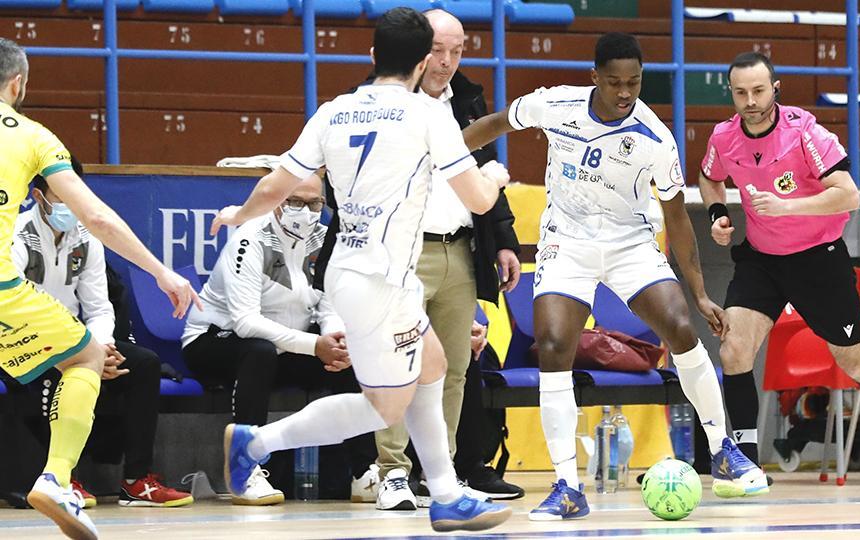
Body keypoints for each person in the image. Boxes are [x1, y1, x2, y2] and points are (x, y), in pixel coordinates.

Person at [213, 7, 511, 533]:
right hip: (377, 282)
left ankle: (443, 494)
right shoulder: (428, 115)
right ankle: (254, 443)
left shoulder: (334, 110)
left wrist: (239, 214)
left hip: (357, 271)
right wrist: (497, 173)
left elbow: (275, 185)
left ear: (372, 56)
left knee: (434, 364)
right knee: (385, 408)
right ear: (423, 62)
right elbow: (480, 201)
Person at [462, 32, 765, 521]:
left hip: (630, 244)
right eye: (616, 82)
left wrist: (701, 293)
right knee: (555, 344)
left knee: (682, 329)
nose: (626, 92)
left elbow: (678, 218)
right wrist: (443, 159)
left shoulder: (654, 137)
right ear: (594, 77)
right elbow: (494, 124)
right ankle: (566, 485)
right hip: (568, 242)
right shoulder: (555, 105)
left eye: (635, 83)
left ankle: (724, 450)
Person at [0, 37, 198, 540]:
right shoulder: (33, 136)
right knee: (84, 358)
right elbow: (97, 216)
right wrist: (161, 271)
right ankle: (57, 478)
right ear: (18, 84)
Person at [698, 51, 860, 495]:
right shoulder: (724, 137)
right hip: (761, 259)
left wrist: (786, 207)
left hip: (818, 258)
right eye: (741, 93)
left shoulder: (803, 132)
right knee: (734, 350)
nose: (750, 100)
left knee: (853, 362)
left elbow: (848, 195)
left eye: (759, 91)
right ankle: (744, 463)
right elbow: (710, 177)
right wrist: (718, 214)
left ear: (775, 88)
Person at [349, 8, 522, 510]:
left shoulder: (467, 100)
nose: (447, 62)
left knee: (451, 370)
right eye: (437, 51)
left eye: (457, 50)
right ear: (417, 54)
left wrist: (505, 238)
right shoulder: (377, 103)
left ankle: (439, 473)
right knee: (396, 365)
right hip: (401, 254)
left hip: (460, 250)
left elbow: (486, 169)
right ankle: (393, 473)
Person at [12, 156, 193, 508]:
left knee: (144, 364)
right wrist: (78, 352)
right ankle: (60, 477)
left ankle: (137, 480)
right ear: (38, 195)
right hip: (22, 338)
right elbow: (16, 307)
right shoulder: (15, 236)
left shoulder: (86, 237)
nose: (71, 205)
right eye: (61, 196)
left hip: (74, 339)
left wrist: (101, 348)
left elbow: (98, 307)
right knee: (57, 368)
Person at [181, 174, 372, 505]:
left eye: (315, 203)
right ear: (276, 200)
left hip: (285, 347)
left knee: (348, 361)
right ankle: (246, 468)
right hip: (214, 342)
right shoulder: (251, 238)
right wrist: (314, 346)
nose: (306, 211)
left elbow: (328, 306)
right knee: (259, 352)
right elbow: (245, 322)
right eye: (295, 201)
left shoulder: (327, 242)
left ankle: (364, 472)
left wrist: (333, 338)